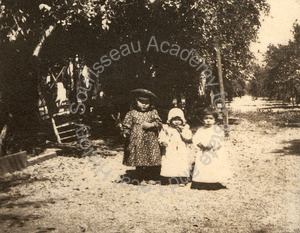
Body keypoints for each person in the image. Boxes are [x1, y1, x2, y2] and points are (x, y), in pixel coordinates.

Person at [122, 88, 162, 183]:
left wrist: (151, 125)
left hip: (150, 140)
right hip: (137, 140)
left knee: (151, 157)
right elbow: (127, 124)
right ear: (136, 102)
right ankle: (139, 177)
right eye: (141, 102)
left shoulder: (153, 112)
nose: (144, 105)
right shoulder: (131, 113)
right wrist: (126, 132)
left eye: (147, 102)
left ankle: (150, 177)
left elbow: (159, 123)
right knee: (138, 158)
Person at [191, 107, 231, 190]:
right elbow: (195, 138)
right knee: (202, 167)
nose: (208, 121)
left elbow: (219, 139)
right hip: (203, 152)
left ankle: (213, 182)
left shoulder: (217, 129)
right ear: (202, 119)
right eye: (206, 118)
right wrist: (199, 143)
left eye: (211, 118)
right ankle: (202, 182)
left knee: (213, 167)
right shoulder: (201, 129)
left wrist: (212, 144)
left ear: (215, 120)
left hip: (213, 152)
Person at [158, 108, 192, 186]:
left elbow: (188, 138)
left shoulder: (185, 128)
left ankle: (182, 179)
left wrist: (182, 131)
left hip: (181, 149)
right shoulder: (166, 128)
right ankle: (167, 177)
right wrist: (163, 141)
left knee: (181, 163)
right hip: (169, 149)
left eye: (179, 119)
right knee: (169, 162)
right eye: (174, 119)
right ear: (170, 120)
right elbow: (162, 136)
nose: (177, 121)